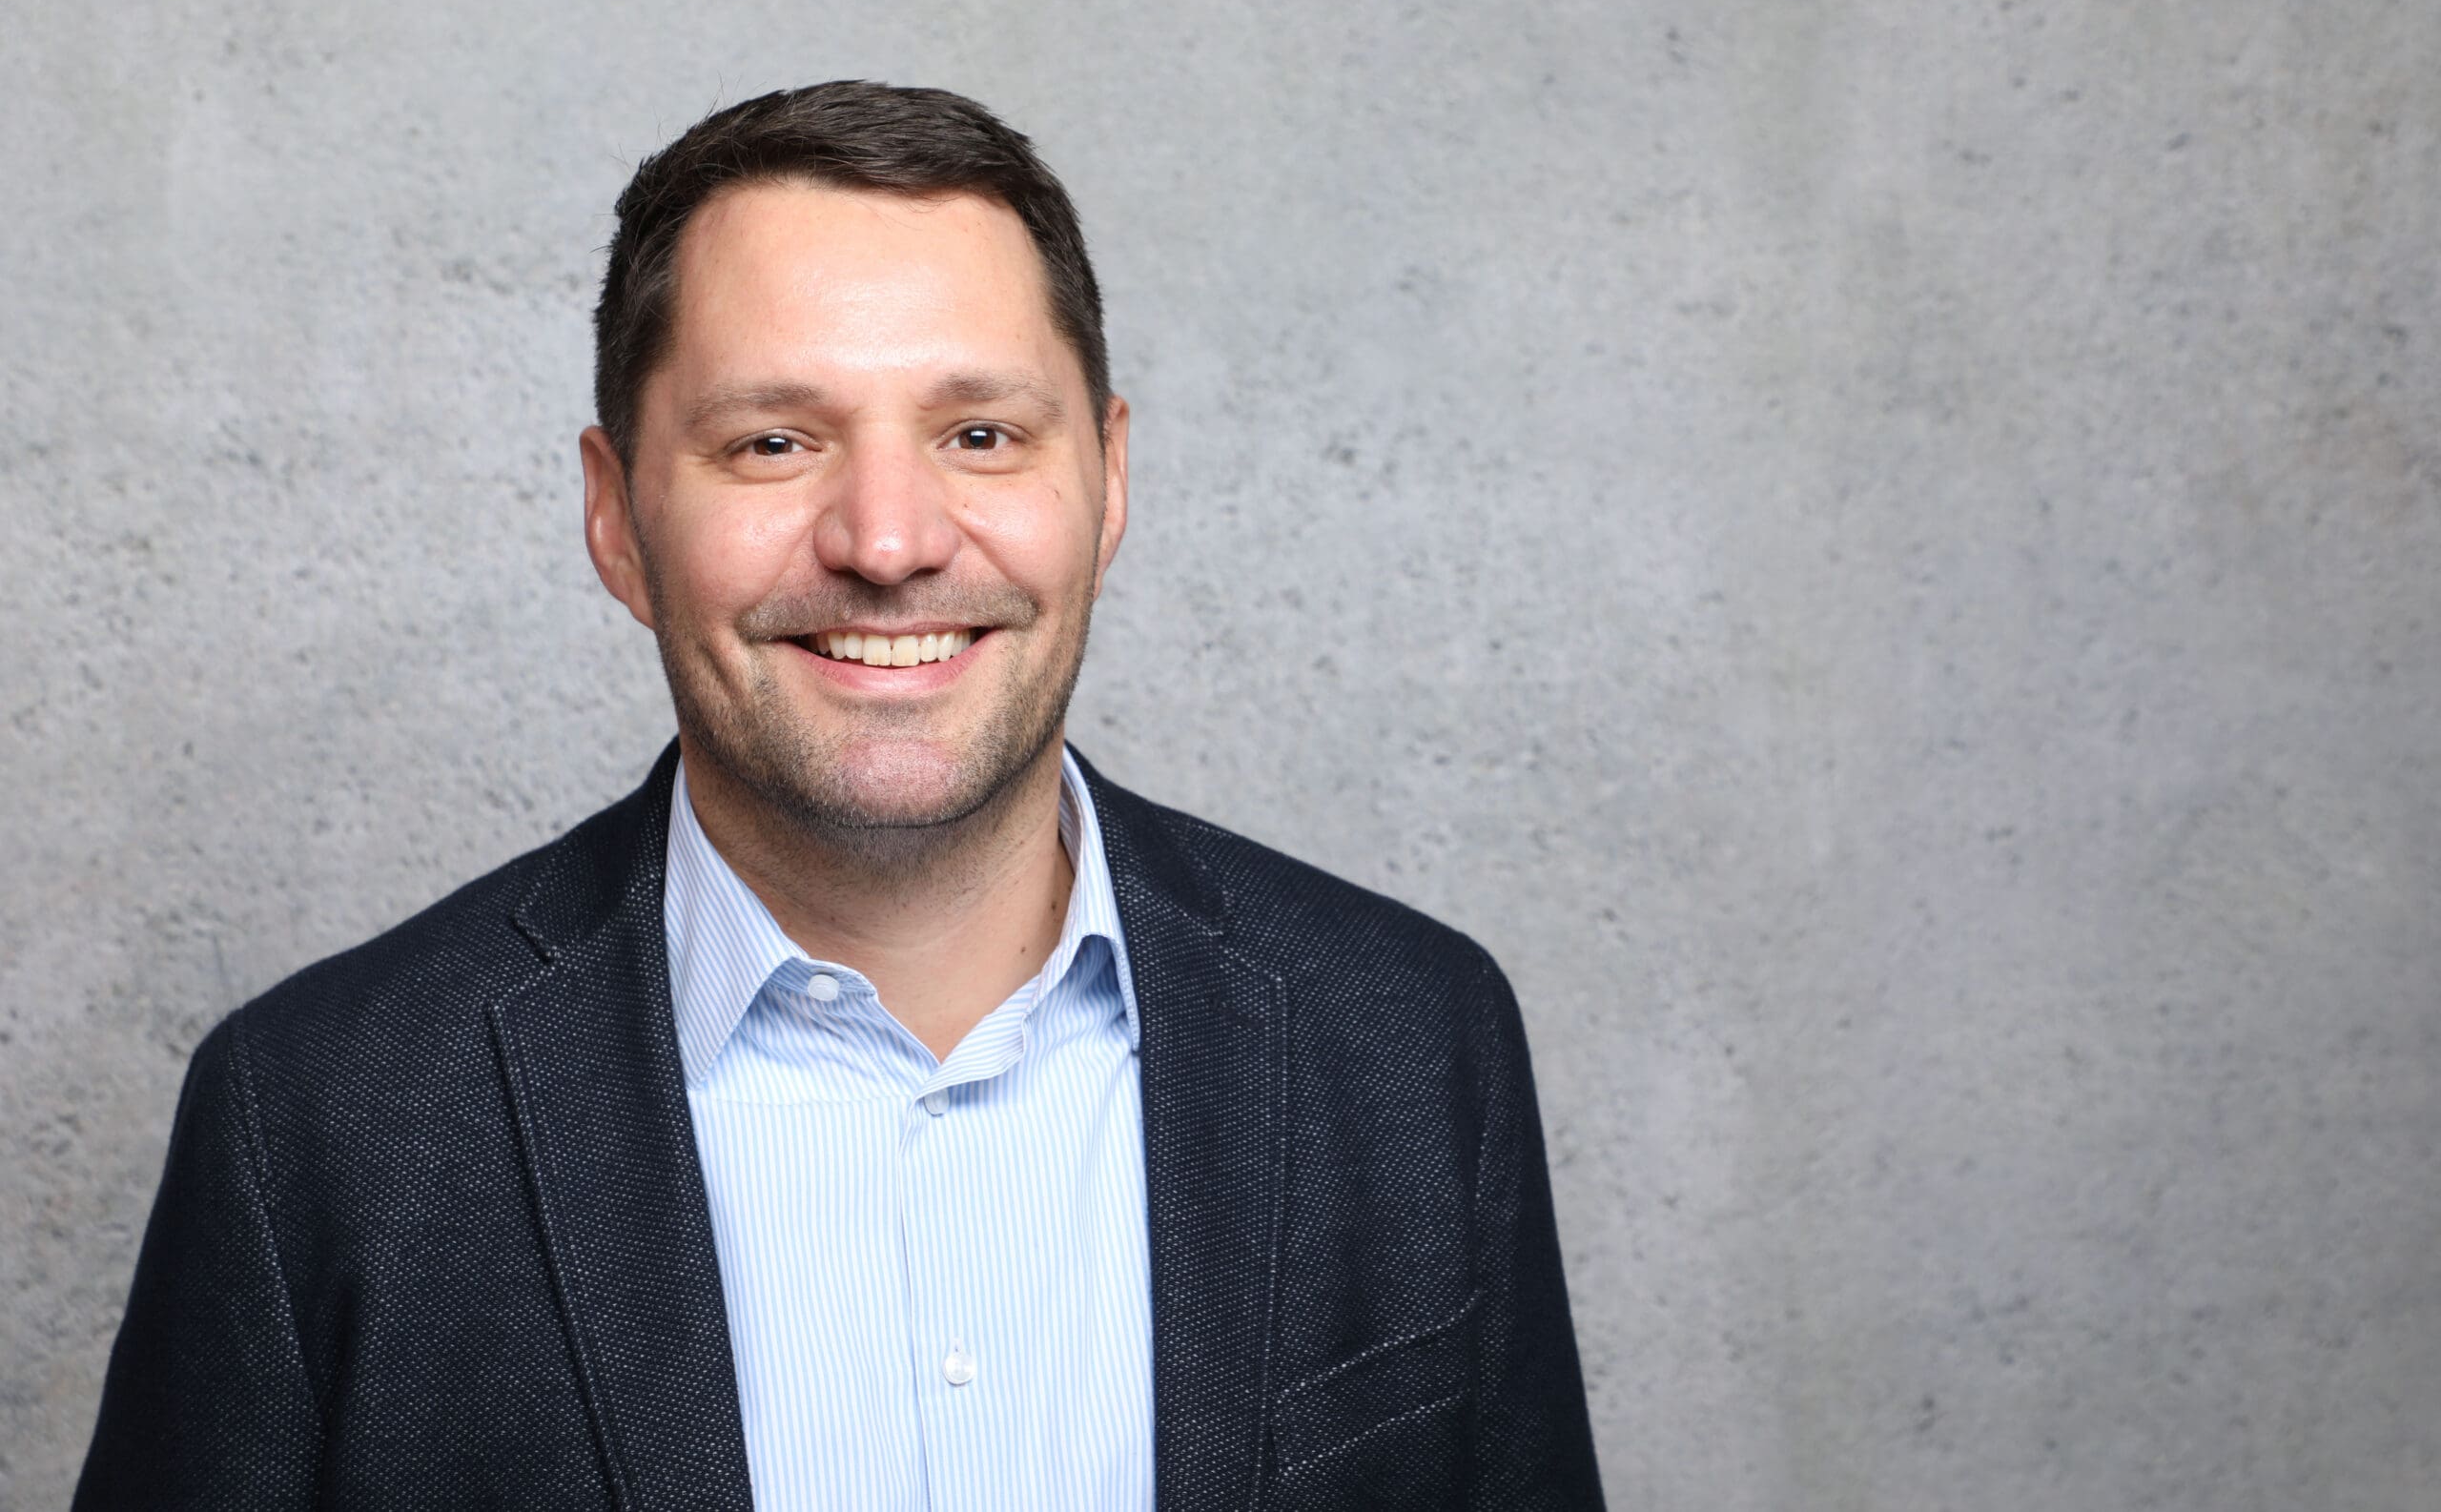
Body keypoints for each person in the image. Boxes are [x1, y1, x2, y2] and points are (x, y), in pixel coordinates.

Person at [74, 81, 1603, 1510]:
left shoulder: (1411, 1038)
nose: (886, 540)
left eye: (980, 435)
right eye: (774, 442)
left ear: (1108, 481)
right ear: (616, 518)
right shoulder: (319, 1122)